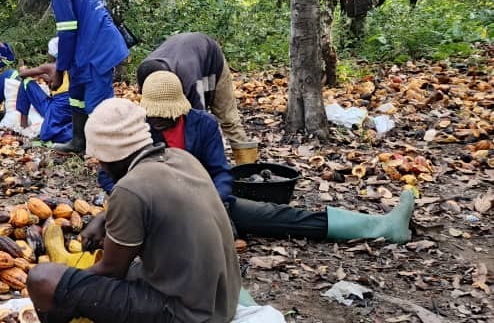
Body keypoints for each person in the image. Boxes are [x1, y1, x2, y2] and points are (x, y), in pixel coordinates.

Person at [94, 71, 415, 244]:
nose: (160, 121)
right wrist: (125, 199)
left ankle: (381, 226)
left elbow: (221, 172)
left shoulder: (202, 125)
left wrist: (214, 202)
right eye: (155, 116)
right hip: (158, 209)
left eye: (167, 116)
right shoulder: (139, 128)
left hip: (205, 201)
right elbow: (109, 172)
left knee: (281, 216)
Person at [26, 98, 240, 323]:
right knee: (82, 275)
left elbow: (112, 271)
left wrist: (64, 285)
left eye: (99, 159)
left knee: (42, 280)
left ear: (107, 154)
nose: (101, 166)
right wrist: (105, 219)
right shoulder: (181, 158)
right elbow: (156, 198)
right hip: (221, 299)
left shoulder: (129, 190)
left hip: (186, 316)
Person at [35, 0, 129, 153]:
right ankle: (79, 141)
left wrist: (59, 70)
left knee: (97, 105)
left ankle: (111, 152)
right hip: (87, 48)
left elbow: (67, 30)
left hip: (96, 51)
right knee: (76, 96)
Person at [136, 32, 256, 163]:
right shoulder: (145, 71)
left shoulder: (188, 77)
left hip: (211, 60)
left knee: (228, 118)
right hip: (187, 53)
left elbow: (198, 122)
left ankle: (247, 168)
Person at [15, 37, 73, 144]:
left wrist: (25, 70)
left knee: (26, 82)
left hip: (58, 107)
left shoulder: (50, 67)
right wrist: (45, 77)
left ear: (52, 54)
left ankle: (23, 126)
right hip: (70, 108)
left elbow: (22, 75)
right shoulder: (74, 65)